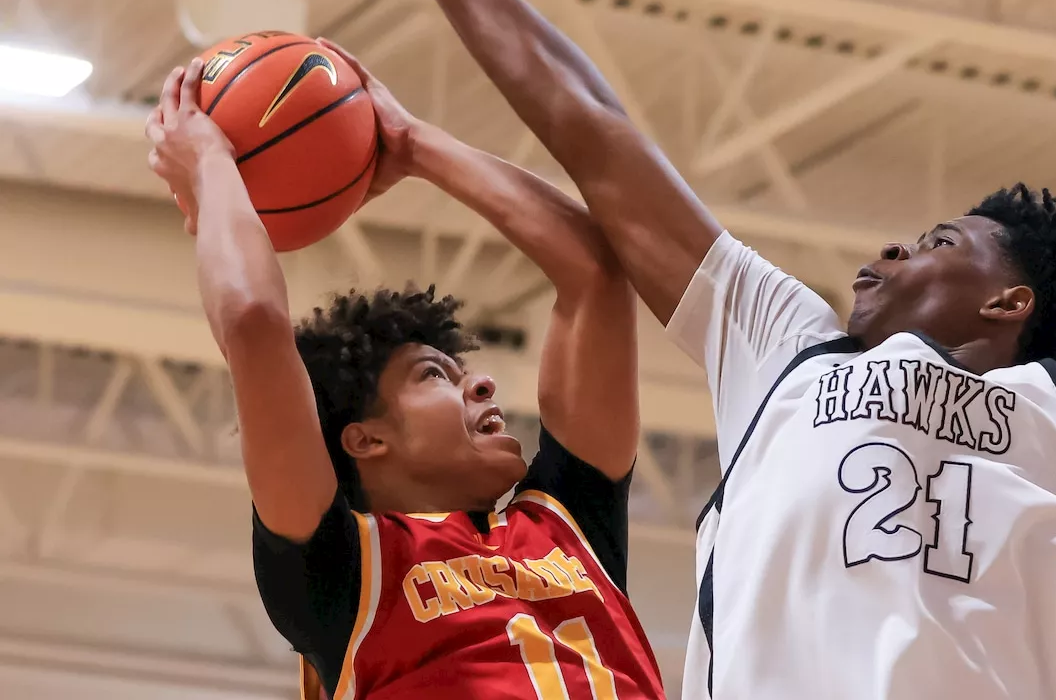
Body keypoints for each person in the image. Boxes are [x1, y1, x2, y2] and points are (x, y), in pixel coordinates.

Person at [416, 0, 1056, 699]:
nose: (894, 249)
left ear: (1008, 302)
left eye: (941, 242)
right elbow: (591, 128)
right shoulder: (786, 343)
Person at [144, 47, 666, 700]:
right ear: (366, 438)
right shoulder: (341, 568)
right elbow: (253, 322)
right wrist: (214, 166)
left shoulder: (567, 524)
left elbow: (596, 274)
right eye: (434, 375)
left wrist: (415, 144)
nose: (480, 386)